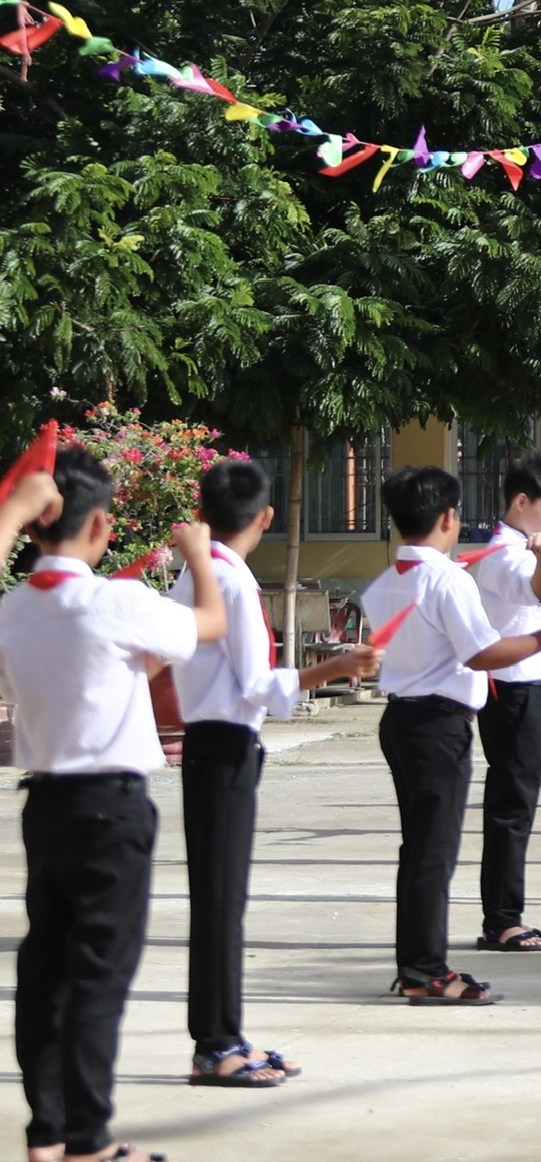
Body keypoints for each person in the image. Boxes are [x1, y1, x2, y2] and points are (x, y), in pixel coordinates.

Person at [1, 451, 221, 1162]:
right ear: (101, 524)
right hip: (111, 808)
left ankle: (48, 1128)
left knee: (47, 969)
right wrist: (197, 554)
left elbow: (103, 670)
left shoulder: (14, 606)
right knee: (99, 972)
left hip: (47, 803)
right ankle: (90, 1140)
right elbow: (209, 622)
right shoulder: (114, 603)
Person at [170, 457, 377, 1086]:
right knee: (221, 901)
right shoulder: (229, 583)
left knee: (218, 898)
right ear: (265, 517)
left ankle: (223, 1034)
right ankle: (217, 1042)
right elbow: (259, 685)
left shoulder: (199, 575)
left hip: (213, 743)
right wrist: (336, 667)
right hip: (226, 744)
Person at [365, 466, 541, 1006]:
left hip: (404, 719)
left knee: (421, 849)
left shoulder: (387, 580)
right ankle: (424, 969)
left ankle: (418, 962)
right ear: (448, 517)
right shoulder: (446, 578)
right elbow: (480, 653)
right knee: (433, 851)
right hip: (437, 723)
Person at [470, 458, 541, 969]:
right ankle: (503, 919)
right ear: (521, 503)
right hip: (515, 691)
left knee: (517, 804)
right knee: (511, 806)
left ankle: (506, 913)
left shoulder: (521, 549)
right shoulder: (507, 555)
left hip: (532, 689)